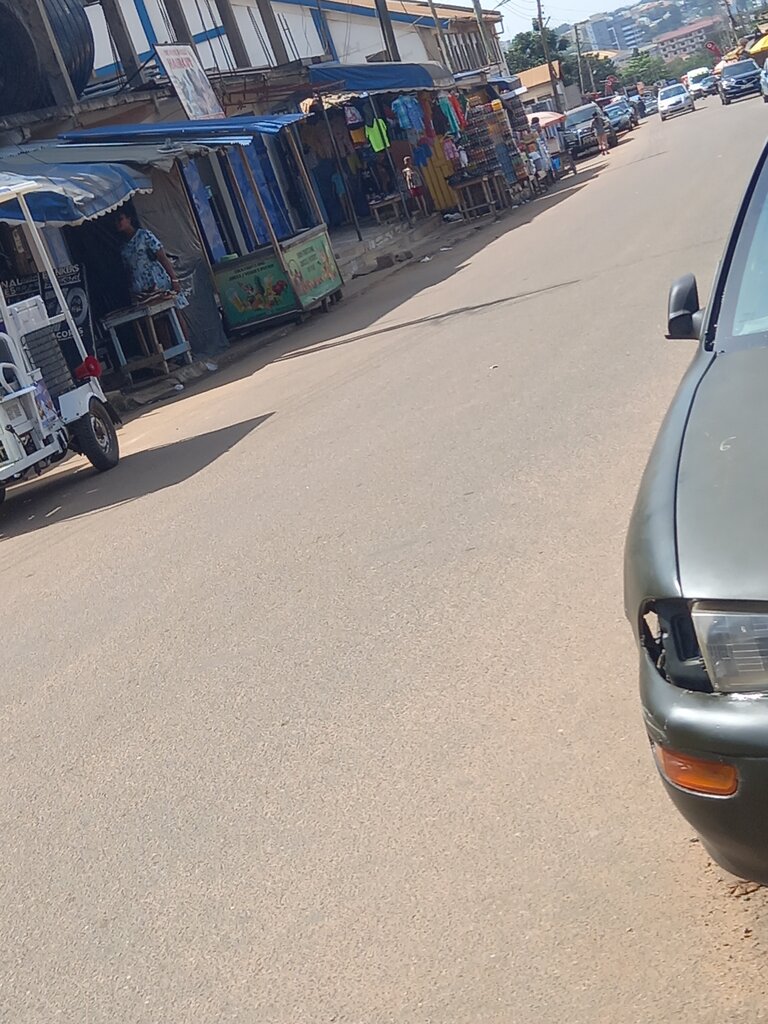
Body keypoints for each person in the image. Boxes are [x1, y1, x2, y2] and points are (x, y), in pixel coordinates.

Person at [115, 210, 187, 308]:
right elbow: (128, 270)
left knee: (173, 309)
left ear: (129, 219)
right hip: (141, 289)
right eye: (116, 221)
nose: (118, 223)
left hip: (157, 281)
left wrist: (174, 279)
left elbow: (162, 257)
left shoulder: (144, 235)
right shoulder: (123, 247)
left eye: (121, 219)